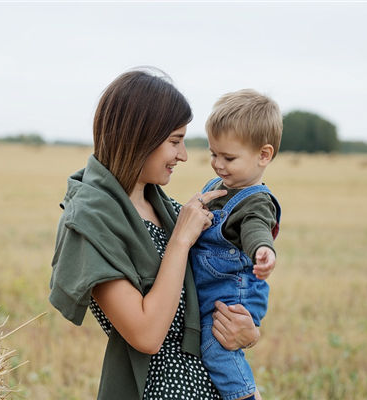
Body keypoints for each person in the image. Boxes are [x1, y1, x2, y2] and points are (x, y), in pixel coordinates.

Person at [49, 69, 261, 400]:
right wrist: (180, 240)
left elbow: (225, 285)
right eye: (175, 141)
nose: (184, 155)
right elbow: (147, 334)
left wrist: (247, 331)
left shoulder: (169, 210)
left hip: (215, 387)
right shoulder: (89, 225)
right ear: (139, 137)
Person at [190, 89, 283, 400]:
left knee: (217, 349)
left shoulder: (256, 201)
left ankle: (246, 396)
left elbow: (257, 228)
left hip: (235, 294)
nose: (218, 164)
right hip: (214, 289)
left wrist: (263, 250)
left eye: (228, 157)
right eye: (213, 153)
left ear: (263, 155)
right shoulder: (217, 186)